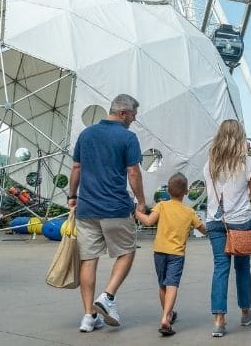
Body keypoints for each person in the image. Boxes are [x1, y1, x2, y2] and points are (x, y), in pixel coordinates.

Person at [67, 93, 147, 333]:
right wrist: (141, 202)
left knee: (88, 260)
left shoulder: (87, 134)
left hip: (87, 208)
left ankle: (88, 316)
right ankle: (108, 296)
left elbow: (76, 167)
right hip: (115, 208)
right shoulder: (128, 137)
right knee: (127, 251)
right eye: (133, 114)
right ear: (123, 113)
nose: (134, 119)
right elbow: (133, 171)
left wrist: (72, 196)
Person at [204, 119, 251, 338]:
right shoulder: (247, 163)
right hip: (241, 221)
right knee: (242, 269)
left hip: (216, 221)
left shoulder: (210, 164)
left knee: (220, 268)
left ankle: (218, 320)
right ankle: (245, 312)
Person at [135, 173, 207, 337]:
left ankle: (167, 314)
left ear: (168, 190)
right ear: (186, 191)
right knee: (172, 284)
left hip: (159, 251)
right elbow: (203, 229)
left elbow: (147, 221)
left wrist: (135, 212)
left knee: (162, 285)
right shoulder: (189, 212)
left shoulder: (161, 206)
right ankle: (166, 318)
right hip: (177, 254)